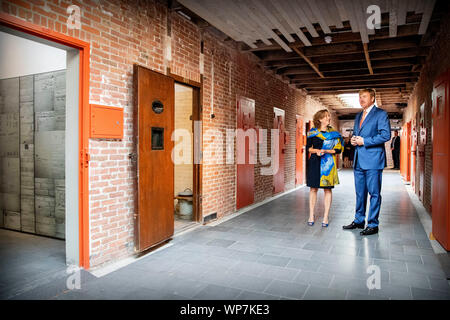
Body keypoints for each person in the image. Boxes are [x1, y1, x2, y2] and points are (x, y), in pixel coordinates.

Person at [343, 88, 391, 236]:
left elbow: (386, 135)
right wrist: (353, 140)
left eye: (364, 96)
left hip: (373, 160)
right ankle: (359, 220)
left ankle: (373, 224)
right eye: (359, 97)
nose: (361, 99)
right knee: (360, 193)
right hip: (359, 160)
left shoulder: (381, 114)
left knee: (374, 193)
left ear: (372, 98)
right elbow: (358, 134)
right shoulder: (358, 116)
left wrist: (365, 141)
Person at [306, 109, 344, 227]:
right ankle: (311, 215)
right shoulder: (312, 132)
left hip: (328, 165)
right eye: (326, 116)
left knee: (327, 190)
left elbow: (338, 149)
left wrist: (326, 150)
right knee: (313, 189)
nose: (328, 118)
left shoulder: (334, 134)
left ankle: (326, 217)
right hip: (315, 163)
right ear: (320, 119)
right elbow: (308, 148)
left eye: (328, 116)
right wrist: (316, 151)